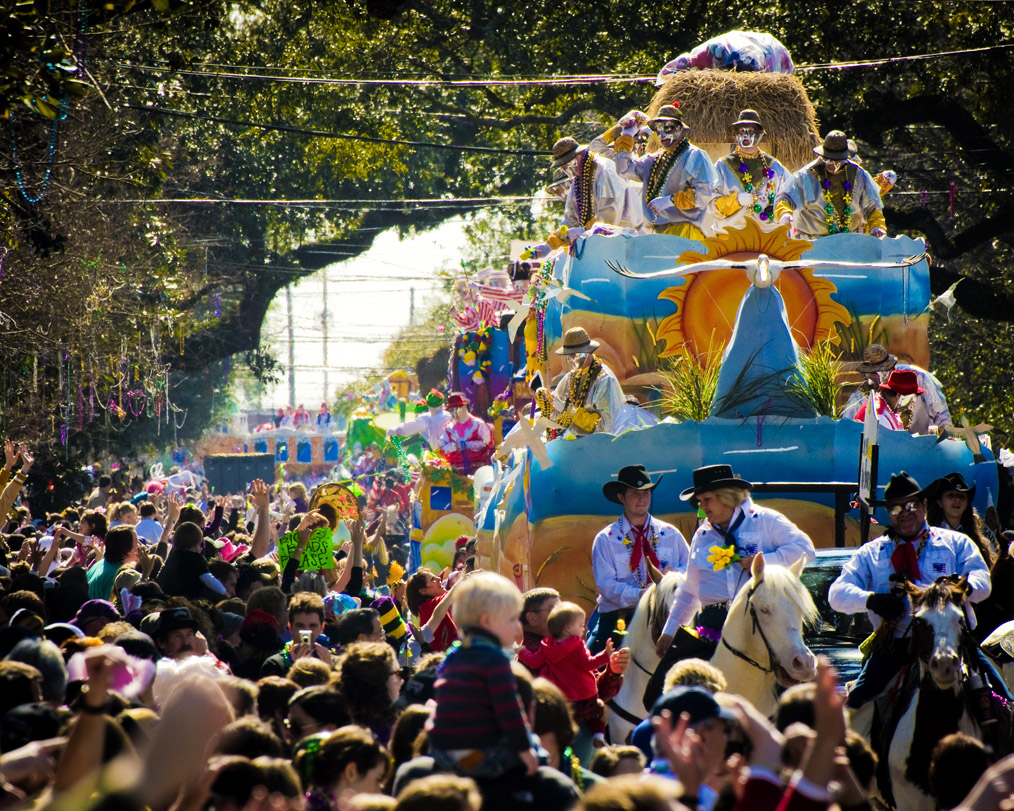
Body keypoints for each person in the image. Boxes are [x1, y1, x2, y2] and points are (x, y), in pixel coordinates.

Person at [828, 471, 995, 710]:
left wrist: (963, 586)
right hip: (894, 646)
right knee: (855, 706)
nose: (905, 512)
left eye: (912, 505)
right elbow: (836, 594)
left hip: (951, 641)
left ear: (925, 505)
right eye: (896, 508)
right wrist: (871, 600)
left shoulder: (956, 543)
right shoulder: (871, 553)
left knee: (1002, 697)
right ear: (888, 512)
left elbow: (982, 580)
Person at [651, 464, 815, 705]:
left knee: (795, 702)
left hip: (760, 631)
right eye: (700, 502)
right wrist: (669, 632)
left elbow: (805, 549)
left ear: (726, 496)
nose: (703, 508)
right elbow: (689, 592)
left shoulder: (766, 520)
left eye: (707, 500)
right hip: (711, 631)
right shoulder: (702, 536)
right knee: (659, 691)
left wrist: (764, 562)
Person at [425, 571, 539, 779]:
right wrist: (525, 749)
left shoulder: (455, 655)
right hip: (476, 756)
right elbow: (509, 709)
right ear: (487, 621)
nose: (518, 626)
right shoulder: (494, 660)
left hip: (442, 751)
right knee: (539, 750)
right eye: (512, 619)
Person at [587, 464, 690, 654]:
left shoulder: (670, 533)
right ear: (621, 497)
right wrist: (641, 596)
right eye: (635, 493)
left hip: (666, 616)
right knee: (591, 660)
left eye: (646, 493)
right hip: (620, 616)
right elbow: (606, 585)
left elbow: (691, 568)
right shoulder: (606, 539)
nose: (642, 498)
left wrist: (676, 575)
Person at [517, 601, 614, 746]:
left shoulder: (546, 645)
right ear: (568, 628)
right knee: (597, 711)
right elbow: (588, 664)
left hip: (559, 696)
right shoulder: (577, 645)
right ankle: (599, 736)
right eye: (580, 626)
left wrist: (522, 651)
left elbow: (534, 662)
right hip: (583, 694)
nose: (583, 629)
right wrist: (605, 656)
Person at [613, 104, 718, 238]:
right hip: (655, 234)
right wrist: (627, 135)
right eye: (658, 129)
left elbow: (704, 194)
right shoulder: (653, 160)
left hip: (685, 232)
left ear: (680, 128)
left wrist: (671, 200)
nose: (662, 135)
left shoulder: (694, 155)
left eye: (668, 128)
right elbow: (624, 169)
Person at [775, 130, 887, 239]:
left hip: (848, 242)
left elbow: (872, 207)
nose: (831, 164)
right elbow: (784, 198)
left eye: (836, 161)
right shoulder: (806, 175)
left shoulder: (859, 174)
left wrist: (877, 227)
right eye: (827, 158)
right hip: (812, 242)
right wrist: (784, 213)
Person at [842, 343, 952, 435]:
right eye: (872, 373)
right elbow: (847, 427)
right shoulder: (861, 398)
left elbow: (941, 414)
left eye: (881, 370)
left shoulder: (918, 377)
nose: (876, 377)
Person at [534, 327, 626, 437]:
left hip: (599, 445)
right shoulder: (571, 377)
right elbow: (559, 417)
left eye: (573, 354)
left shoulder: (605, 379)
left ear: (586, 352)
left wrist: (569, 411)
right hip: (573, 442)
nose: (570, 359)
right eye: (568, 355)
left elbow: (604, 426)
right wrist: (547, 404)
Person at [712, 109, 791, 232]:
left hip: (768, 235)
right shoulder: (722, 166)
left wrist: (784, 214)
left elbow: (788, 195)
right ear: (735, 134)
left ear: (760, 135)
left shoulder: (775, 167)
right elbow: (711, 203)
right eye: (741, 131)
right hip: (731, 235)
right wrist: (736, 200)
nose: (745, 136)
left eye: (750, 131)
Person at [926, 472, 995, 565]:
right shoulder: (927, 535)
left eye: (962, 496)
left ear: (966, 505)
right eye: (951, 495)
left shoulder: (975, 540)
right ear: (940, 502)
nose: (957, 500)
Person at [261, 592, 332, 677]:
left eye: (312, 626)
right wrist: (296, 670)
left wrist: (329, 671)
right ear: (290, 627)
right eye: (300, 625)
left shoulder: (333, 662)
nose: (306, 631)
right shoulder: (275, 665)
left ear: (322, 627)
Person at [157, 521, 227, 600]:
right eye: (200, 544)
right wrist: (224, 592)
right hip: (189, 599)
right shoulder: (196, 558)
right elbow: (208, 579)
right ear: (194, 544)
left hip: (170, 598)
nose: (201, 548)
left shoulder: (172, 557)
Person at [437, 393, 493, 475]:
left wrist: (467, 444)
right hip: (455, 470)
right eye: (450, 411)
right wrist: (453, 446)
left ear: (463, 408)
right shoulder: (448, 427)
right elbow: (442, 447)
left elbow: (486, 443)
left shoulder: (478, 424)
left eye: (454, 410)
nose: (452, 413)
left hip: (477, 469)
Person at [852, 369, 921, 431]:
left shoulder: (886, 407)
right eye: (911, 400)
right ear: (900, 396)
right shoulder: (879, 415)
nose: (911, 406)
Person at [84, 525, 139, 601]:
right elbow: (112, 606)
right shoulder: (118, 576)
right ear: (125, 547)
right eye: (136, 541)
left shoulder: (99, 564)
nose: (140, 545)